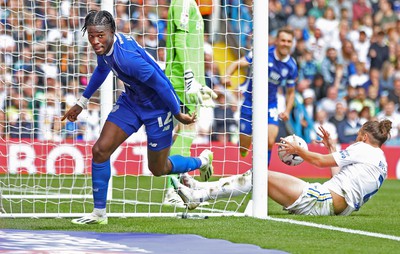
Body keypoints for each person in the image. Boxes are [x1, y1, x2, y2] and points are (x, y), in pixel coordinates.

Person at [62, 10, 214, 224]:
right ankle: (99, 214)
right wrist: (81, 103)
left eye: (100, 35)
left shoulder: (128, 59)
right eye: (92, 36)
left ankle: (203, 160)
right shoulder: (105, 47)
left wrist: (178, 113)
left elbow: (161, 84)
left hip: (157, 108)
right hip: (132, 102)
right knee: (100, 150)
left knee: (158, 169)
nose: (95, 41)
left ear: (112, 32)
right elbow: (102, 69)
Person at [173, 120, 392, 216]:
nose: (356, 138)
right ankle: (200, 188)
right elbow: (341, 179)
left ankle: (198, 196)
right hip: (331, 204)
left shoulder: (362, 148)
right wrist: (331, 147)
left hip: (321, 199)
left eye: (358, 135)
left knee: (259, 175)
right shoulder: (381, 160)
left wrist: (298, 149)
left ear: (364, 136)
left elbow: (318, 162)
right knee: (258, 177)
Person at [162, 0, 218, 206]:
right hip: (181, 81)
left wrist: (200, 82)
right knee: (186, 131)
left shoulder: (191, 5)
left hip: (189, 80)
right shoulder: (183, 2)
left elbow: (191, 46)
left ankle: (181, 181)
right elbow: (179, 39)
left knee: (184, 132)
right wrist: (188, 77)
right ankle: (172, 190)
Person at [222, 28, 296, 163]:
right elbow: (237, 63)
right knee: (244, 146)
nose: (285, 44)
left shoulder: (291, 66)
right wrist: (227, 76)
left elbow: (291, 92)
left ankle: (264, 175)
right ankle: (244, 149)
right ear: (277, 41)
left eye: (289, 41)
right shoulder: (263, 53)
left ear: (292, 43)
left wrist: (287, 110)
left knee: (270, 140)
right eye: (283, 40)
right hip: (251, 101)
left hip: (271, 103)